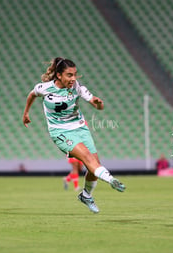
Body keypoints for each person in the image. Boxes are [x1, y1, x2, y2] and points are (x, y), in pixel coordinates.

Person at [22, 57, 125, 214]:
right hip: (60, 131)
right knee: (88, 159)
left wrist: (98, 103)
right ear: (59, 75)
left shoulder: (77, 87)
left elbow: (96, 104)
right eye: (69, 75)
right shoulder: (44, 88)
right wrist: (26, 113)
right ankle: (111, 180)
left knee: (93, 166)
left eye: (75, 74)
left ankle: (86, 195)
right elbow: (31, 95)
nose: (73, 78)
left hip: (80, 128)